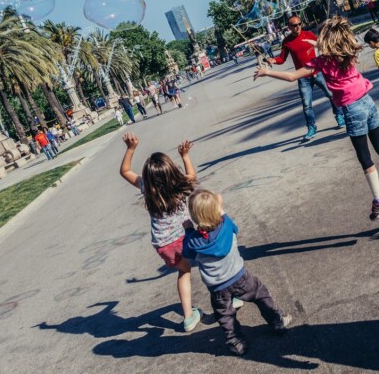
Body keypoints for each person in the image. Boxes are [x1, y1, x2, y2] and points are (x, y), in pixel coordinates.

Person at [256, 17, 379, 220]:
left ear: (325, 41)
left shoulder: (321, 61)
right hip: (368, 101)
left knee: (364, 157)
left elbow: (292, 76)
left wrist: (267, 72)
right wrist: (319, 42)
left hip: (352, 108)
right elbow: (338, 44)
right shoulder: (347, 51)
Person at [183, 189, 292, 356]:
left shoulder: (193, 241)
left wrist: (188, 230)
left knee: (225, 316)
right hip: (240, 277)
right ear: (217, 210)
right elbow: (232, 223)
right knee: (260, 294)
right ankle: (277, 321)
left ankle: (236, 342)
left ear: (195, 217)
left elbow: (187, 254)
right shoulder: (226, 225)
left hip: (217, 288)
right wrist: (220, 208)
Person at [118, 133, 202, 332]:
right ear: (171, 171)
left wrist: (130, 149)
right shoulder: (179, 184)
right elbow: (192, 176)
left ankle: (189, 317)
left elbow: (125, 171)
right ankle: (229, 293)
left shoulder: (146, 187)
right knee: (208, 262)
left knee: (184, 271)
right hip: (186, 236)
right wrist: (185, 155)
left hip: (163, 244)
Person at [265, 15, 345, 141]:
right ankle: (311, 128)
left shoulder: (309, 34)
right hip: (302, 77)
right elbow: (281, 59)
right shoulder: (286, 41)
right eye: (294, 25)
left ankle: (339, 116)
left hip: (317, 72)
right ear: (289, 27)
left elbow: (321, 45)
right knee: (307, 105)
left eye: (299, 24)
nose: (298, 27)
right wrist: (273, 60)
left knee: (331, 94)